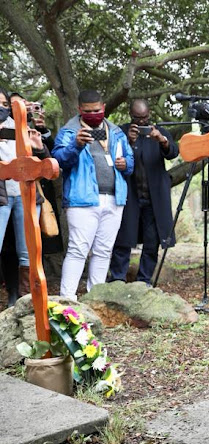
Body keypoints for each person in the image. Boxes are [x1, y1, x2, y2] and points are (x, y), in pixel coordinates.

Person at [52, 90, 134, 299]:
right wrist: (76, 145)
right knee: (78, 249)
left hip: (114, 198)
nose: (93, 114)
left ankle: (96, 297)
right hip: (82, 199)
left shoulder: (115, 131)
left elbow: (131, 162)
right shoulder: (69, 131)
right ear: (80, 110)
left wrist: (126, 164)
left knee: (104, 250)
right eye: (88, 111)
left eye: (97, 110)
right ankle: (67, 299)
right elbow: (59, 161)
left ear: (104, 107)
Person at [109, 99, 178, 285]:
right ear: (131, 115)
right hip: (129, 195)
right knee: (123, 238)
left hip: (154, 196)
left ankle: (144, 280)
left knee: (152, 241)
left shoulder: (159, 132)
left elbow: (173, 152)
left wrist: (161, 140)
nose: (141, 122)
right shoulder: (120, 132)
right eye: (137, 118)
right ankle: (117, 279)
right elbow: (113, 157)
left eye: (145, 118)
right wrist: (129, 141)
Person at [0, 88, 47, 305]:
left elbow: (45, 164)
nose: (1, 108)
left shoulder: (20, 128)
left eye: (4, 104)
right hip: (2, 196)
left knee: (27, 252)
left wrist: (38, 148)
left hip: (24, 194)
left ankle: (27, 302)